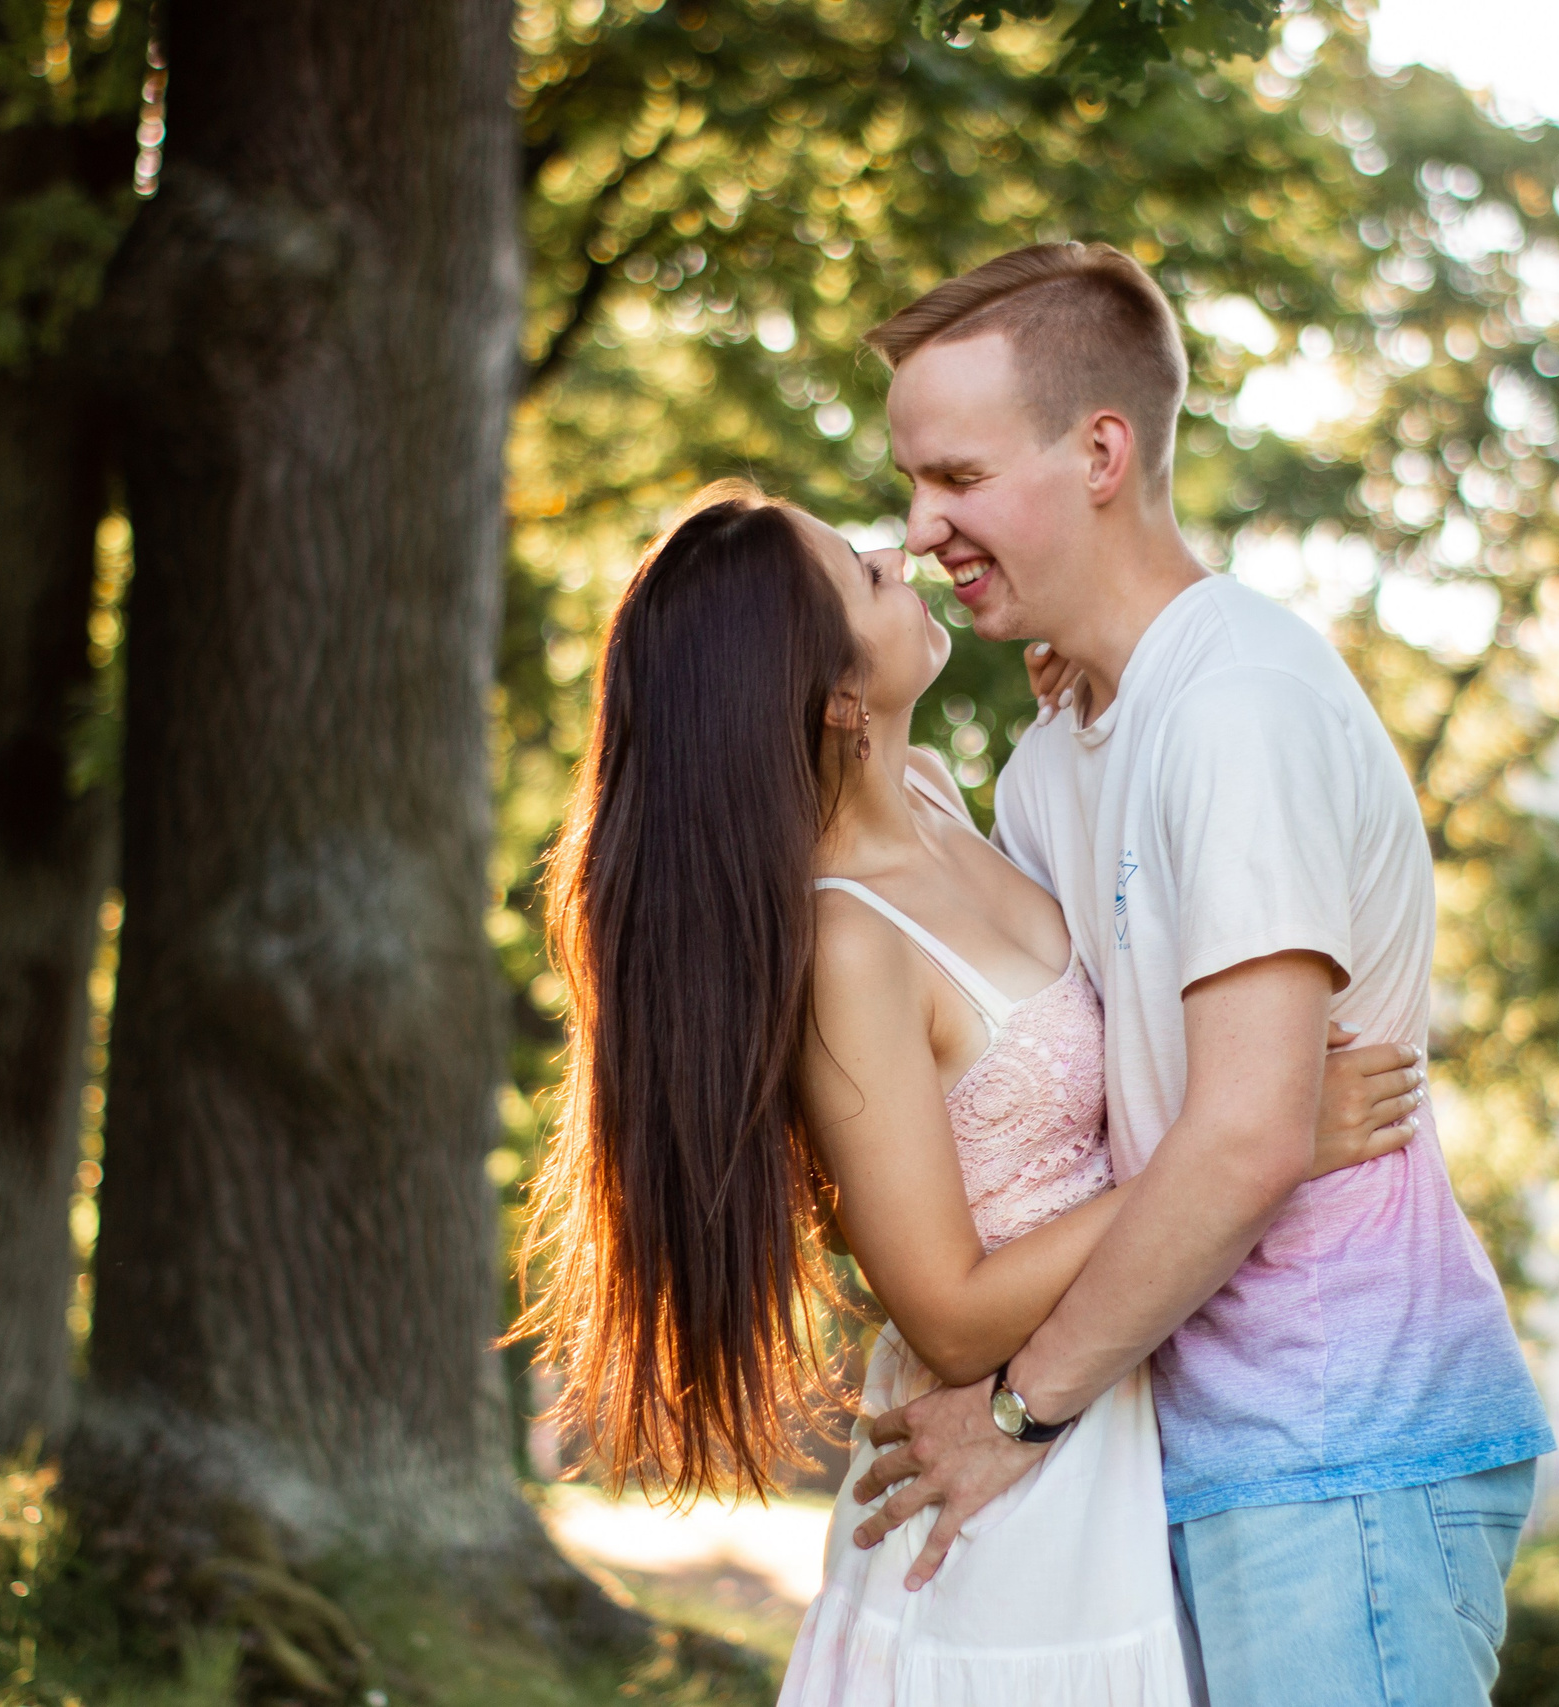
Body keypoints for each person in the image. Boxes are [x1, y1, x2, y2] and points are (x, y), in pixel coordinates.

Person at [513, 481, 1426, 1702]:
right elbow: (943, 1309)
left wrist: (1104, 702)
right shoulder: (848, 944)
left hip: (1118, 1414)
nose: (904, 550)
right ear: (841, 698)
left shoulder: (941, 795)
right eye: (867, 574)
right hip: (1007, 1505)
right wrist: (1252, 1139)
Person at [844, 243, 1556, 1706]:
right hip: (1188, 1442)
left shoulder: (1239, 705)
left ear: (1102, 450)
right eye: (915, 483)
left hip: (1345, 1443)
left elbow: (1241, 1135)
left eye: (958, 477)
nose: (921, 528)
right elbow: (1046, 1081)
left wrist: (1016, 1412)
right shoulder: (1053, 760)